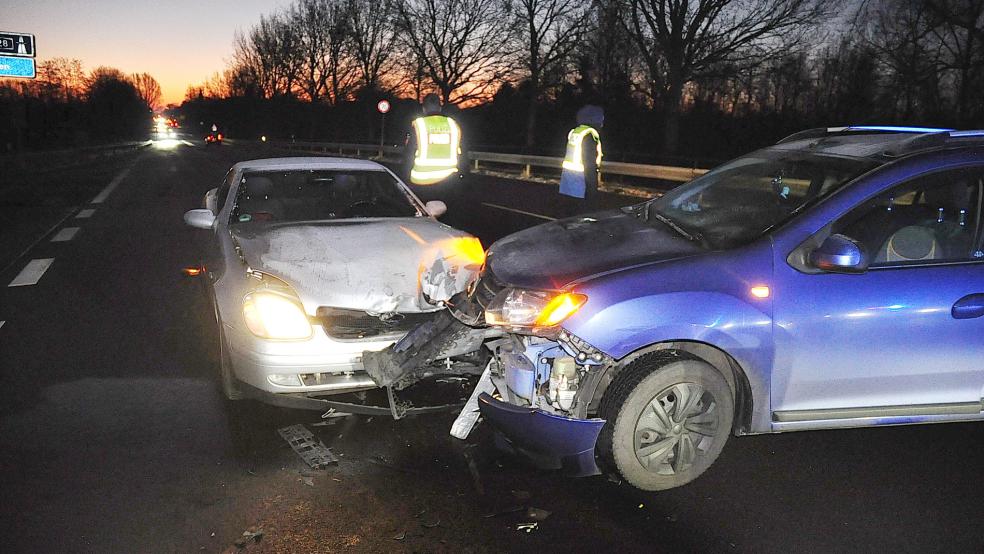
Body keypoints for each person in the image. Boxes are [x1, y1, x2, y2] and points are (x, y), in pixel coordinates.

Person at [405, 94, 464, 188]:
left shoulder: (419, 125)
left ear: (424, 109)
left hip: (422, 183)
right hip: (449, 182)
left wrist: (405, 178)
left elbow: (408, 155)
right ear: (440, 108)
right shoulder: (453, 125)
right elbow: (462, 154)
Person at [558, 105, 604, 217]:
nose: (602, 121)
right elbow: (588, 161)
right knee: (584, 213)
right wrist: (592, 187)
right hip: (582, 179)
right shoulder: (590, 134)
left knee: (570, 212)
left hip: (568, 177)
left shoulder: (576, 131)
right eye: (601, 118)